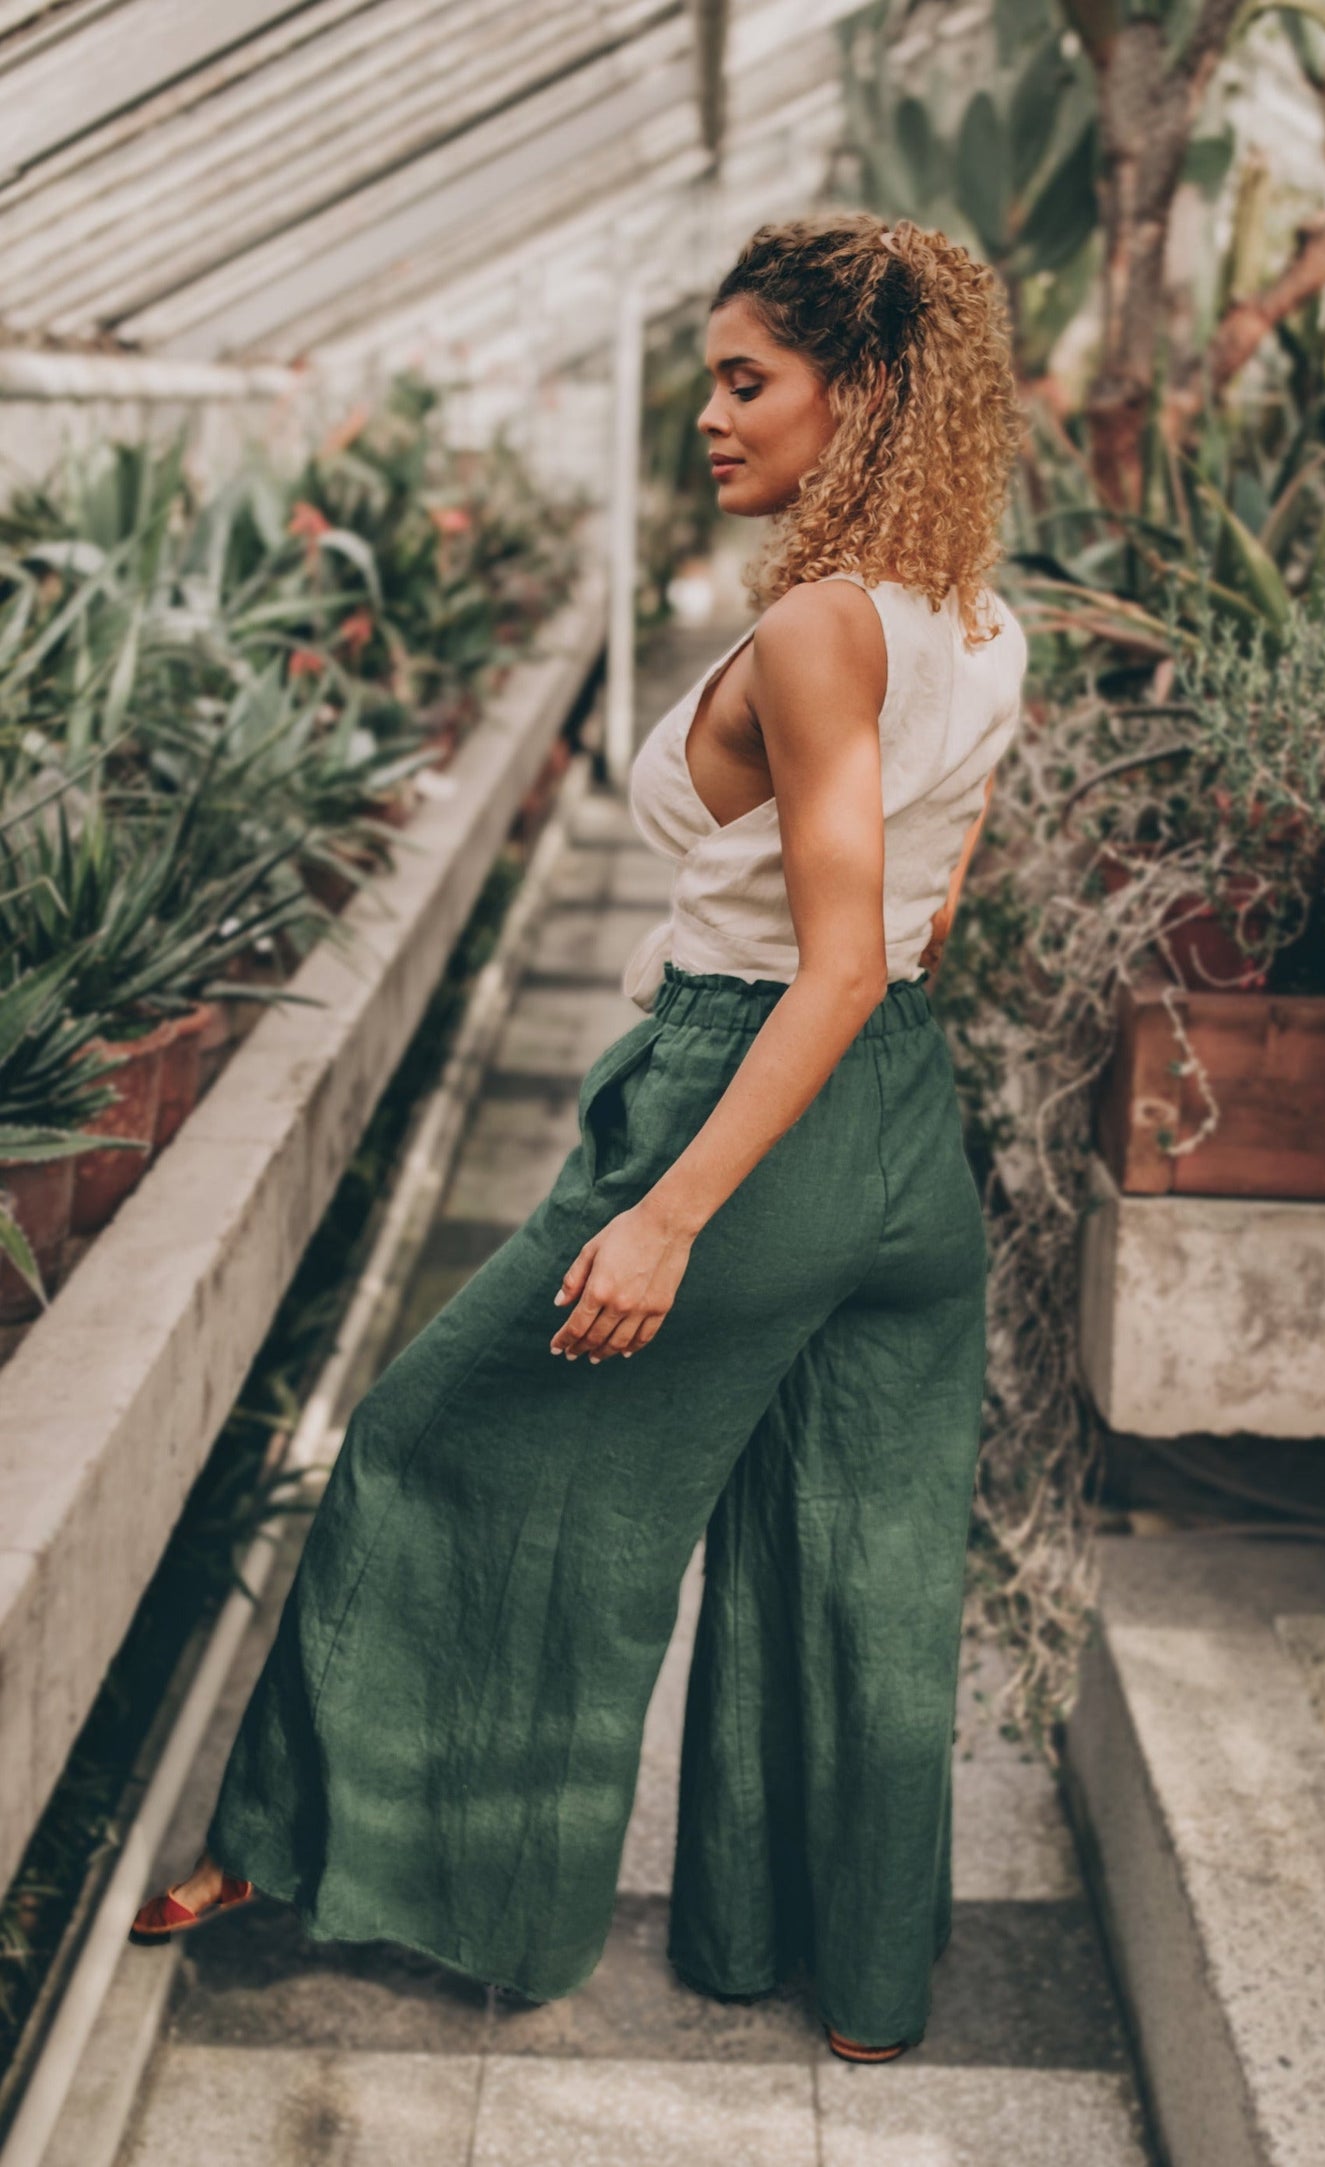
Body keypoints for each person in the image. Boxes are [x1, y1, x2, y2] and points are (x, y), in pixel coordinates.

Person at [130, 210, 1029, 2065]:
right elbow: (925, 929)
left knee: (427, 1452)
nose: (709, 417)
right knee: (851, 1559)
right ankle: (852, 1987)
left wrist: (670, 1213)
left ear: (855, 398)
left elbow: (837, 960)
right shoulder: (978, 620)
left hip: (748, 1105)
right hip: (901, 1152)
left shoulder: (809, 627)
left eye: (744, 380)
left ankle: (291, 1849)